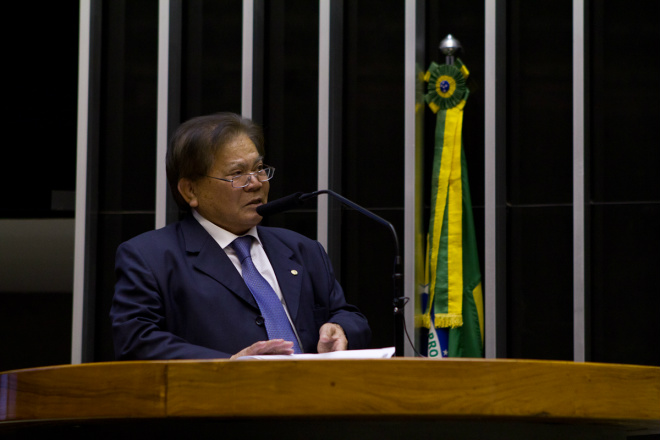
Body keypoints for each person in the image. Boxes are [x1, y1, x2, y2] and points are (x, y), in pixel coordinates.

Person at [110, 112, 371, 360]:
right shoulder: (150, 257)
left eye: (259, 168)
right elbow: (136, 340)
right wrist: (229, 364)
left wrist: (340, 329)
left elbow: (347, 314)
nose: (256, 183)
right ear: (190, 191)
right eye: (237, 174)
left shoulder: (302, 249)